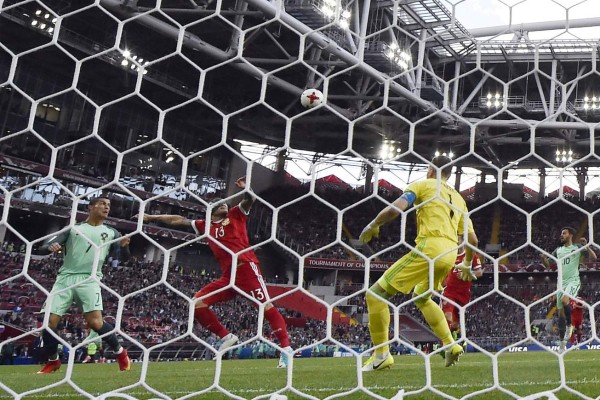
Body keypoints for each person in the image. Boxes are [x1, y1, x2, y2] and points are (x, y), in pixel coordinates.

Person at [134, 176, 292, 368]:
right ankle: (227, 336)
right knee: (197, 303)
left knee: (265, 307)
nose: (225, 205)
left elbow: (249, 200)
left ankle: (286, 350)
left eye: (226, 203)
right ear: (211, 210)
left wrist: (246, 189)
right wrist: (151, 217)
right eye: (220, 204)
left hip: (246, 268)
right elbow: (178, 220)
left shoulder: (236, 215)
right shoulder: (205, 226)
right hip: (228, 276)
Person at [359, 156, 478, 371]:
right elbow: (472, 240)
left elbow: (396, 209)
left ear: (431, 169)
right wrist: (467, 264)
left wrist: (373, 224)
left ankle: (381, 354)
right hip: (450, 254)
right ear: (449, 174)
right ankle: (450, 344)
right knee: (422, 297)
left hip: (430, 248)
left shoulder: (422, 185)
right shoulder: (459, 199)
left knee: (375, 295)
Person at [37, 196, 132, 374]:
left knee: (96, 323)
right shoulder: (74, 229)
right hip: (65, 279)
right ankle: (53, 361)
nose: (107, 207)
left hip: (90, 280)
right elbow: (43, 247)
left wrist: (125, 247)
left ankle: (120, 353)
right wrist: (51, 247)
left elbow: (124, 259)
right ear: (90, 207)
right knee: (48, 323)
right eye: (103, 203)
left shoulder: (112, 233)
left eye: (109, 205)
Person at [540, 229, 596, 352]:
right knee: (560, 315)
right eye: (561, 233)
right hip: (561, 283)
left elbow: (594, 257)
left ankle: (569, 326)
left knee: (565, 300)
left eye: (564, 233)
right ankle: (562, 344)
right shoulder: (558, 251)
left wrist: (587, 245)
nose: (561, 235)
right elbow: (547, 265)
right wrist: (544, 258)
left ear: (570, 235)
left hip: (573, 281)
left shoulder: (577, 247)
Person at [440, 246, 483, 343]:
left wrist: (468, 274)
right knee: (447, 315)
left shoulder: (471, 256)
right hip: (449, 291)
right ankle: (445, 342)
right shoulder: (450, 255)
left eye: (459, 240)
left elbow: (479, 272)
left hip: (463, 293)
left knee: (455, 324)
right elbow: (444, 272)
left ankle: (453, 336)